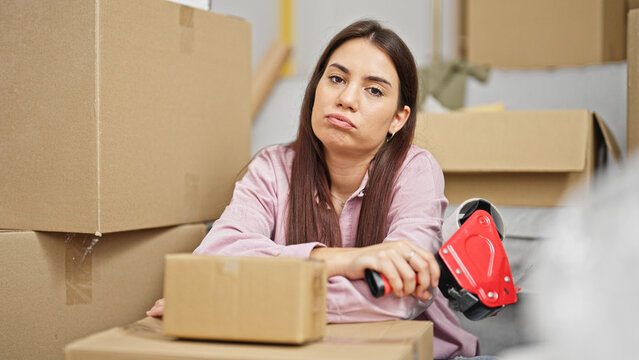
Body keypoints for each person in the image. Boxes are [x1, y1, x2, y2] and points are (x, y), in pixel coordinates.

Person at [148, 19, 480, 359]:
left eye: (374, 90)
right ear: (316, 87)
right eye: (336, 78)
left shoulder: (415, 170)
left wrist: (235, 298)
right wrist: (344, 260)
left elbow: (405, 292)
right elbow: (214, 258)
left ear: (399, 118)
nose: (347, 99)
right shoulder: (273, 168)